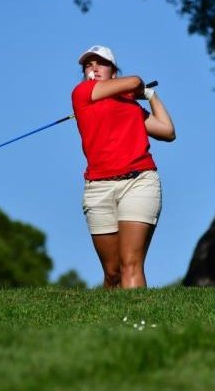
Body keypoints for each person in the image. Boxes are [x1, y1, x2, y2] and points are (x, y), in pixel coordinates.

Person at [72, 45, 176, 289]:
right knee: (113, 273)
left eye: (101, 63)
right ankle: (110, 326)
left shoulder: (131, 108)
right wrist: (136, 88)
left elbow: (168, 131)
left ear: (113, 72)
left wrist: (150, 96)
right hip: (98, 187)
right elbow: (136, 80)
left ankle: (136, 326)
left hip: (139, 182)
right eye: (88, 64)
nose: (94, 68)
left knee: (131, 264)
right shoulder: (81, 93)